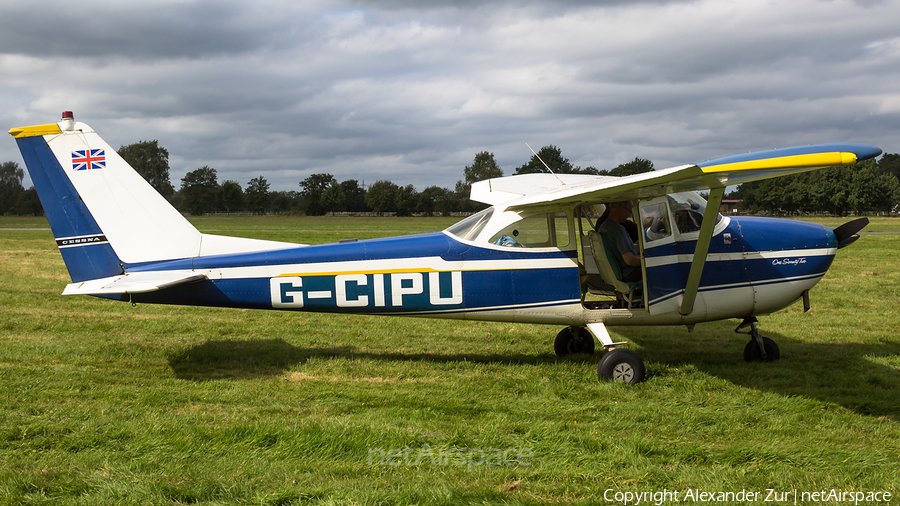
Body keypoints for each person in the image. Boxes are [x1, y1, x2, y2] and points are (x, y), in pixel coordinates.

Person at [597, 201, 642, 282]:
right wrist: (644, 261)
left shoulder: (604, 226)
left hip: (617, 274)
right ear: (621, 209)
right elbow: (629, 260)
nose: (630, 215)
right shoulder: (617, 230)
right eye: (629, 211)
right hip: (629, 273)